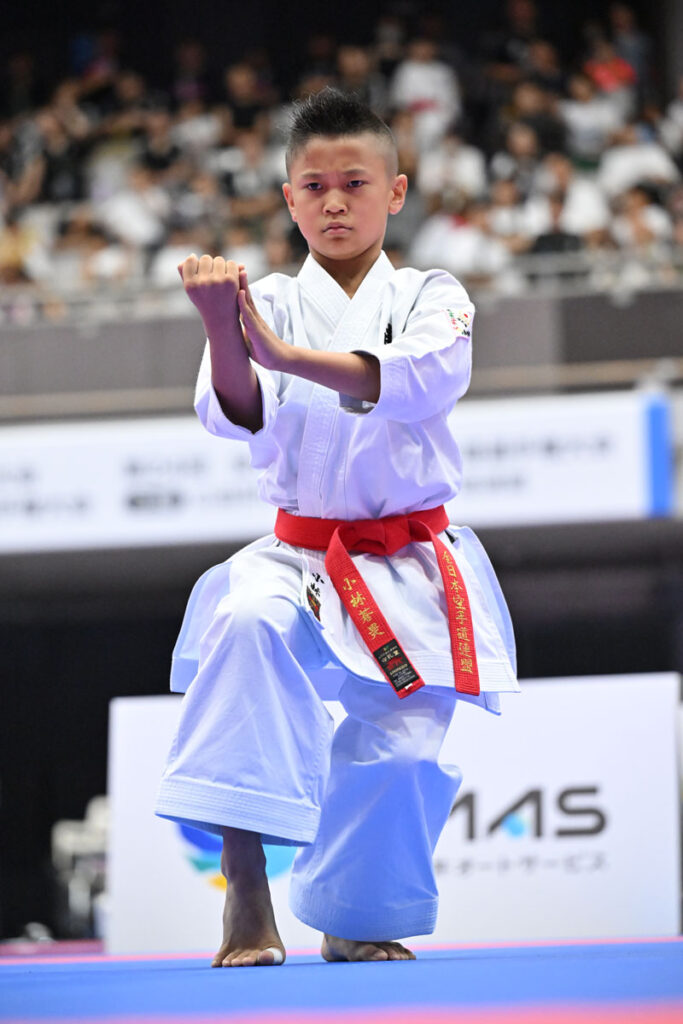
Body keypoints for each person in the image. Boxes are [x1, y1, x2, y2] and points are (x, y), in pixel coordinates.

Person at [155, 88, 518, 968]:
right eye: (312, 185)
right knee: (244, 627)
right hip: (296, 553)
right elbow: (237, 416)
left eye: (354, 182)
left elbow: (422, 381)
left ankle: (351, 915)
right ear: (288, 199)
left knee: (400, 751)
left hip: (408, 558)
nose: (333, 201)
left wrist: (278, 355)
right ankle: (246, 889)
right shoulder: (265, 297)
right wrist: (223, 331)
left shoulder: (436, 295)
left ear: (395, 192)